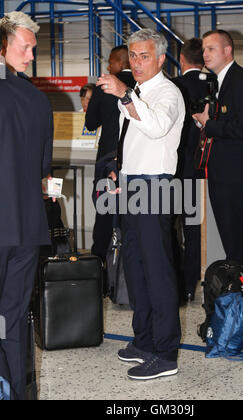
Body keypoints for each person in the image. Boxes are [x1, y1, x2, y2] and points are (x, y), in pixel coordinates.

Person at [98, 28, 185, 380]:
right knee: (134, 266)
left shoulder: (168, 92)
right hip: (133, 184)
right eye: (132, 55)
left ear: (161, 59)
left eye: (144, 55)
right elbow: (133, 140)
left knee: (158, 270)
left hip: (156, 186)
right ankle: (145, 340)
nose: (136, 62)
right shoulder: (136, 92)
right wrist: (121, 172)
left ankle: (165, 354)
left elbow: (157, 128)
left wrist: (125, 97)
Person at [0, 25, 53, 400]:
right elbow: (43, 172)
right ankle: (19, 392)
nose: (32, 56)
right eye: (27, 47)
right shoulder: (37, 100)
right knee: (14, 317)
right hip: (27, 227)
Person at [193, 30, 243, 266]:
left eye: (211, 49)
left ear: (227, 51)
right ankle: (236, 278)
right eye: (204, 49)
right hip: (223, 169)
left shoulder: (242, 81)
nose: (205, 54)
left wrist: (210, 125)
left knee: (234, 232)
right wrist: (204, 122)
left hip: (235, 170)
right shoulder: (220, 82)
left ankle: (242, 284)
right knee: (229, 231)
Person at [85, 45, 135, 261]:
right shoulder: (142, 84)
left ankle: (100, 267)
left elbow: (90, 123)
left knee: (104, 213)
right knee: (133, 214)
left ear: (121, 62)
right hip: (134, 159)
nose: (108, 66)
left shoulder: (104, 86)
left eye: (111, 61)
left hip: (107, 158)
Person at [172, 38, 207, 303]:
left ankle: (174, 281)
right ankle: (191, 282)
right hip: (198, 168)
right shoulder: (211, 85)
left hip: (173, 168)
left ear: (181, 59)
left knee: (169, 227)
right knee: (192, 228)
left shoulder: (174, 86)